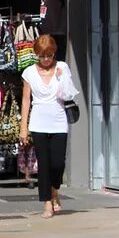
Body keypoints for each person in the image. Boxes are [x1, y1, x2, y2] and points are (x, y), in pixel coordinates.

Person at [20, 34, 78, 218]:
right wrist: (23, 127)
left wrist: (63, 78)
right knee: (43, 164)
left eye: (49, 55)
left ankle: (54, 190)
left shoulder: (62, 67)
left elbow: (69, 94)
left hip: (59, 121)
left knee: (58, 163)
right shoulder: (29, 72)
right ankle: (47, 202)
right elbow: (26, 100)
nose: (46, 59)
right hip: (38, 122)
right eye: (42, 55)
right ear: (37, 54)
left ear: (54, 53)